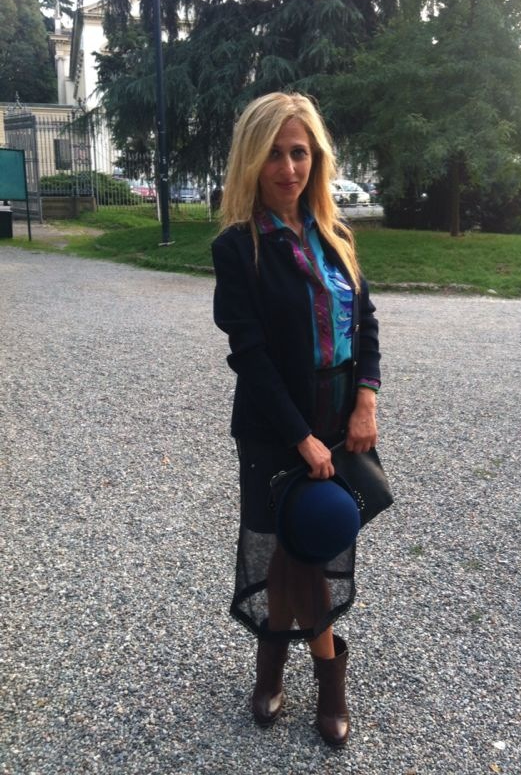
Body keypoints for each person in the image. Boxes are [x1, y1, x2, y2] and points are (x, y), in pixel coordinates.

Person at [211, 92, 381, 747]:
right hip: (272, 425)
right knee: (292, 546)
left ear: (316, 158)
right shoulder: (239, 248)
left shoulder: (335, 236)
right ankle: (321, 677)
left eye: (299, 152)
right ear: (251, 160)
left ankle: (277, 669)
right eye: (274, 154)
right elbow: (249, 356)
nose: (288, 168)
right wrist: (300, 437)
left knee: (309, 544)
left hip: (337, 418)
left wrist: (365, 399)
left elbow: (366, 323)